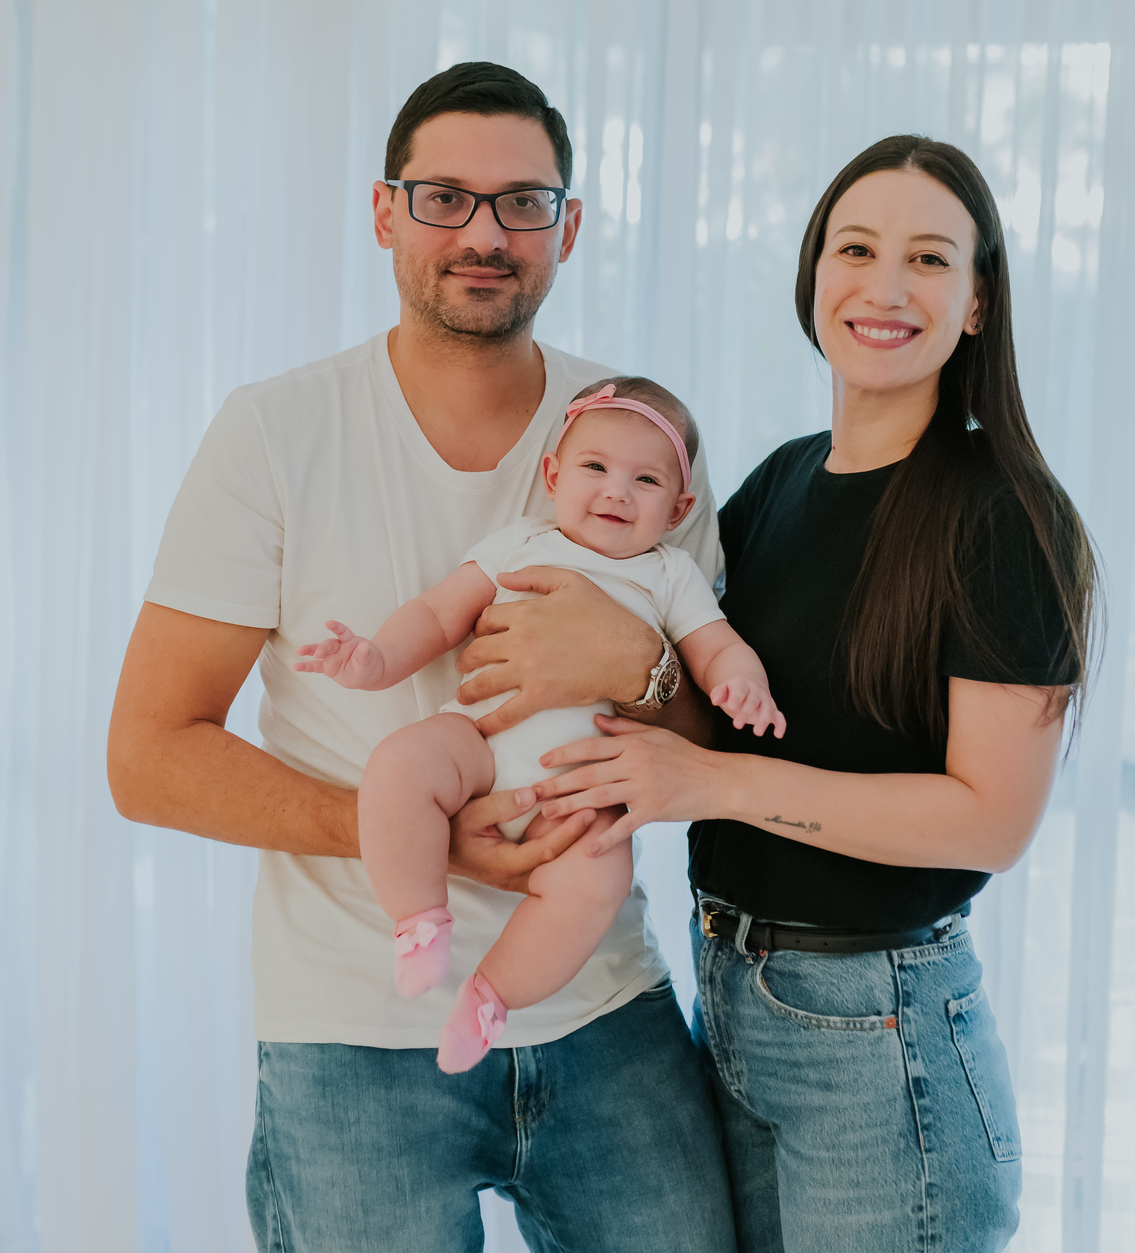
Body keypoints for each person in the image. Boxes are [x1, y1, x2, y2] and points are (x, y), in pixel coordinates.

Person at [107, 62, 753, 1253]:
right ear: (386, 217)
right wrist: (418, 838)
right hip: (353, 1029)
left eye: (521, 201)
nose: (482, 232)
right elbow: (150, 755)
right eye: (445, 197)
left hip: (601, 1003)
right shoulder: (278, 431)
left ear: (567, 229)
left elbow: (717, 720)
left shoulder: (636, 434)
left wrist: (628, 671)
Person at [527, 135, 1102, 1253]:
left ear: (978, 300)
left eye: (927, 256)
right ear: (812, 271)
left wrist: (708, 775)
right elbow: (704, 695)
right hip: (735, 996)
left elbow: (989, 820)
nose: (882, 283)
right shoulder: (783, 481)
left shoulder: (1004, 515)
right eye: (856, 246)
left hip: (880, 1034)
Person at [295, 375, 784, 1071]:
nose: (616, 491)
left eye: (646, 480)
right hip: (479, 743)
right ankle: (418, 919)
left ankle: (492, 996)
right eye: (595, 468)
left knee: (595, 883)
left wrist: (743, 685)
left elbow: (717, 647)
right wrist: (374, 659)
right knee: (400, 766)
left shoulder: (670, 575)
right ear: (553, 475)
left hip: (581, 792)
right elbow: (439, 614)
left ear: (677, 509)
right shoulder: (523, 542)